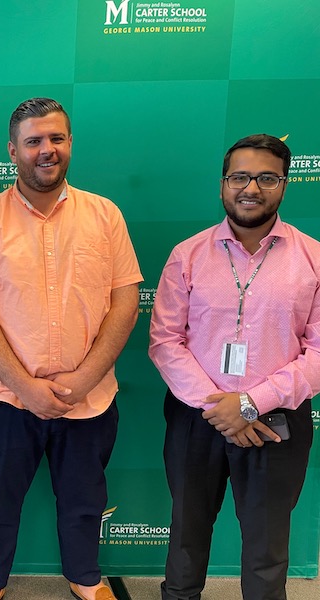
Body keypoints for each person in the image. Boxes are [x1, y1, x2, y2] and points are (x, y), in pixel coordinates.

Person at [0, 98, 142, 600]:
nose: (46, 150)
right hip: (8, 398)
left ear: (70, 144)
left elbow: (125, 304)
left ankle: (85, 578)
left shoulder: (106, 215)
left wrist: (84, 380)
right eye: (33, 141)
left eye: (56, 138)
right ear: (12, 150)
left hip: (90, 396)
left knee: (84, 498)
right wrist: (26, 387)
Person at [149, 134, 320, 600]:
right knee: (186, 533)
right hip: (194, 417)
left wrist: (249, 404)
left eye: (267, 178)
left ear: (285, 184)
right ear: (223, 184)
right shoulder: (187, 255)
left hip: (276, 419)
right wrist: (222, 409)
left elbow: (319, 352)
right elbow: (165, 341)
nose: (251, 188)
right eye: (239, 176)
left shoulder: (313, 257)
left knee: (267, 546)